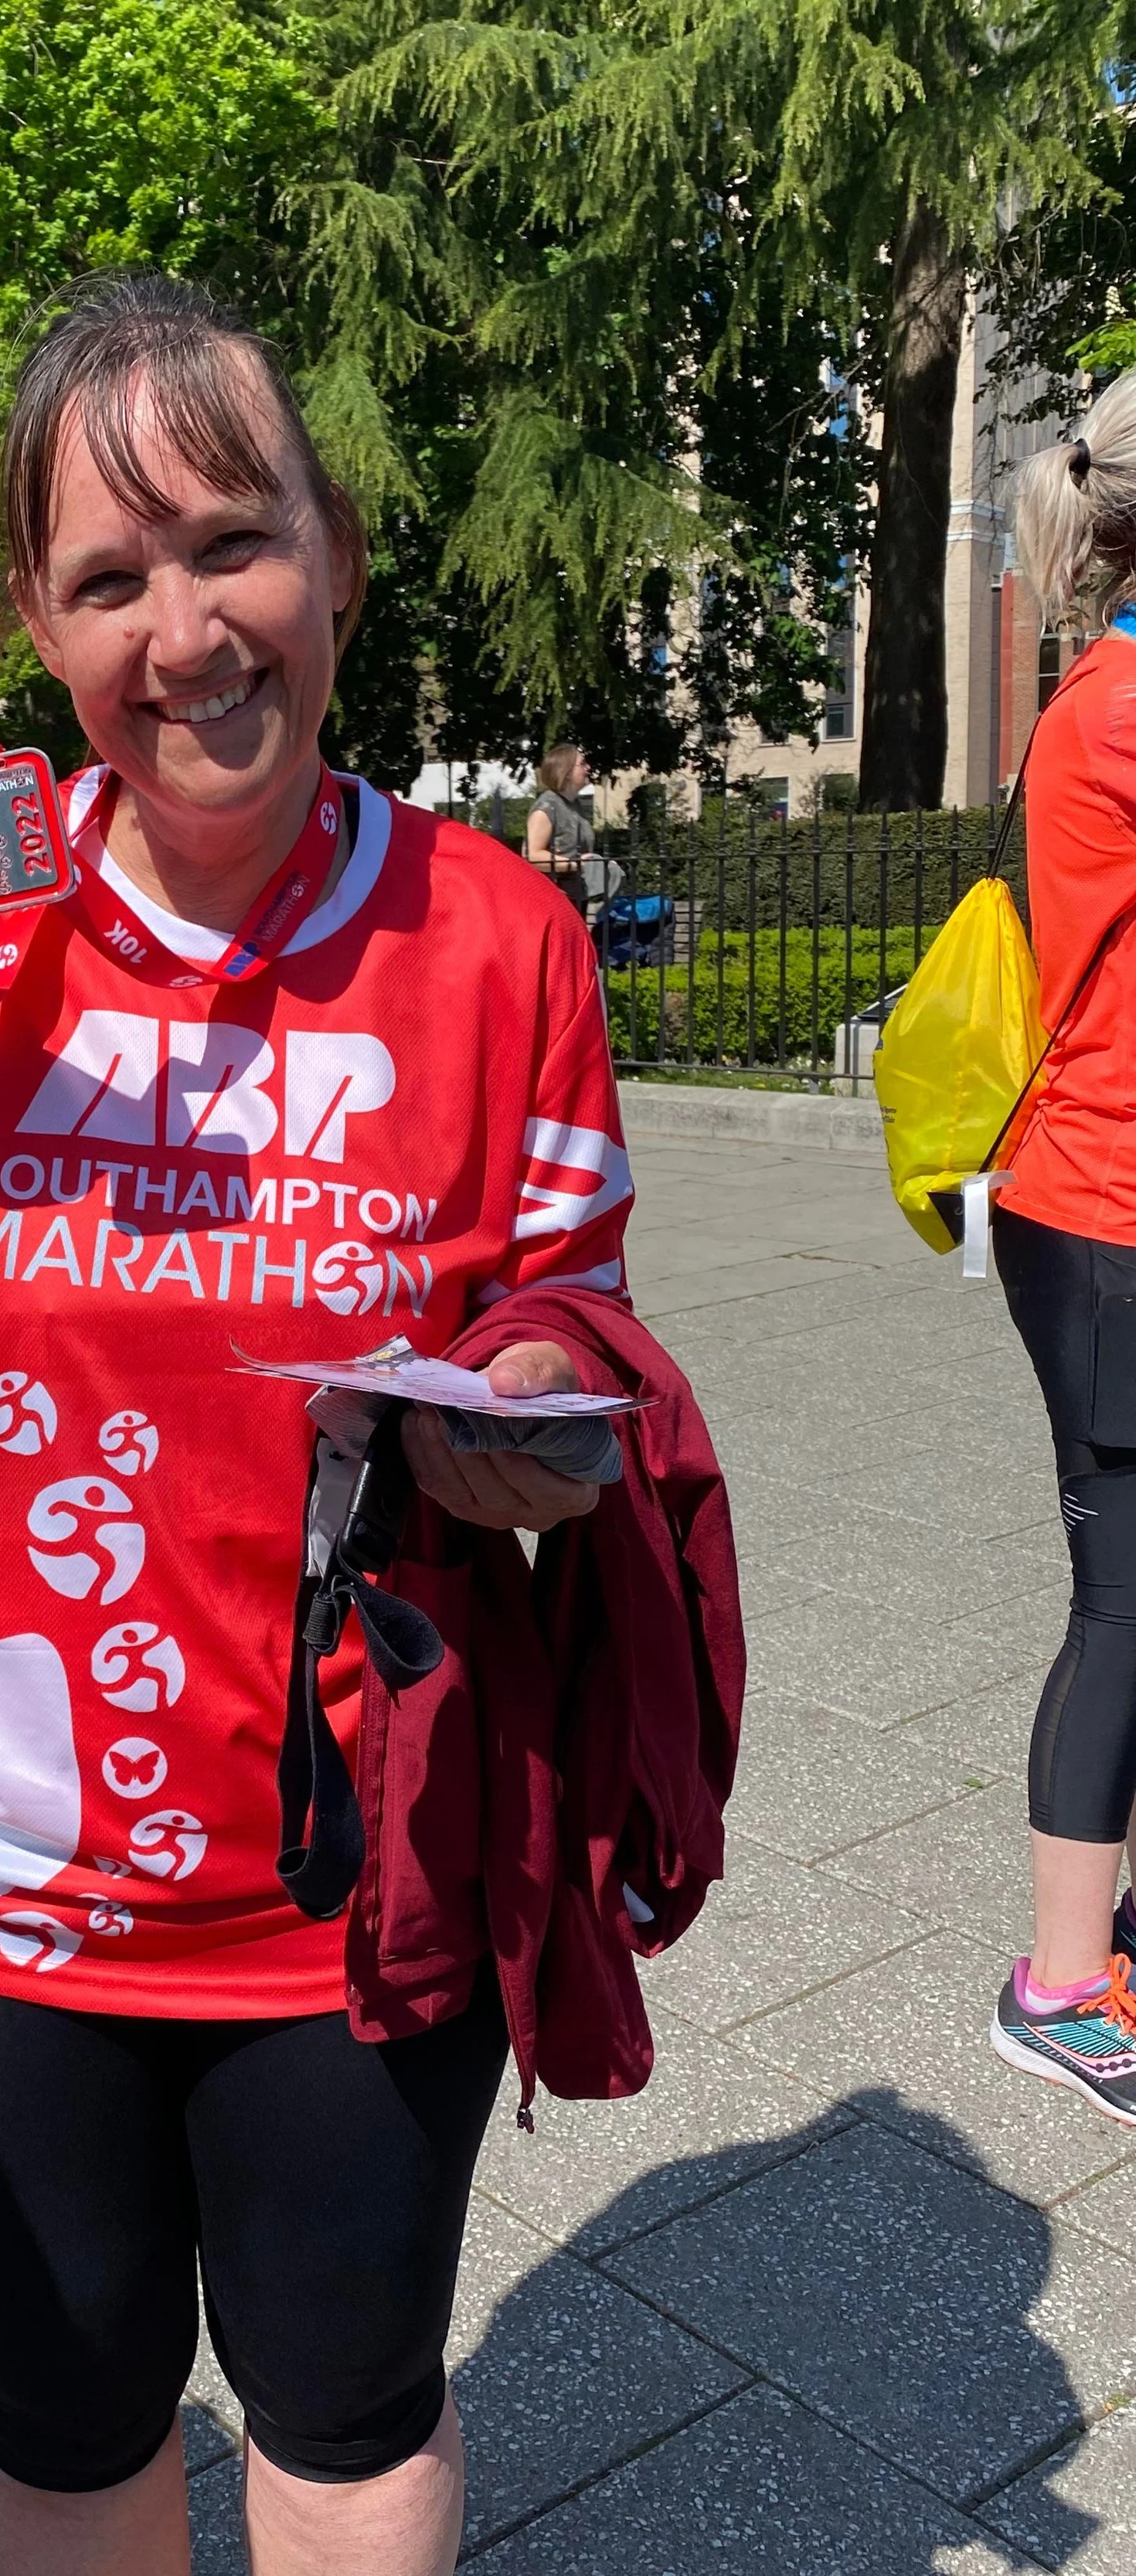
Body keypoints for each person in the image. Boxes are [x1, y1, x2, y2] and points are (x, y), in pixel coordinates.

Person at [0, 272, 646, 2576]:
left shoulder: (495, 938)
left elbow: (563, 1307)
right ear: (37, 623)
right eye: (108, 579)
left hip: (353, 1875)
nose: (185, 633)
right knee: (68, 2416)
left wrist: (529, 1402)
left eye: (233, 542)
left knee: (349, 2411)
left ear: (334, 555)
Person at [988, 369, 1136, 2122]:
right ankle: (1057, 1986)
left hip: (1103, 1204)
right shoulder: (1122, 706)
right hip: (1104, 1214)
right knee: (1125, 1605)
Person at [525, 742, 595, 910]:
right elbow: (532, 856)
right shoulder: (547, 806)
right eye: (582, 764)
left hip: (577, 896)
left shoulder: (576, 805)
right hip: (555, 899)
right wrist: (575, 864)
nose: (588, 768)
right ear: (567, 771)